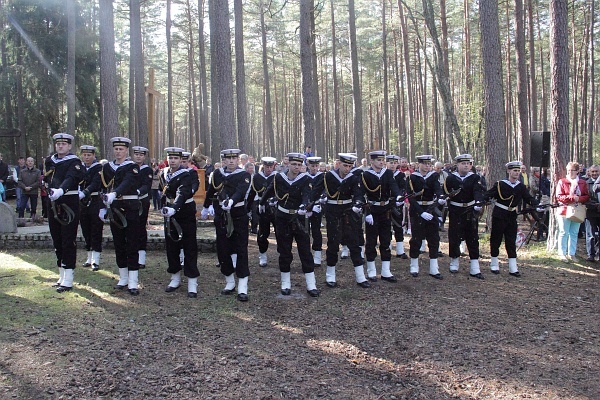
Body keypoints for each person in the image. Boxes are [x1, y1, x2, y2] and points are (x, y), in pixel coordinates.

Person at [260, 152, 320, 297]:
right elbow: (270, 191)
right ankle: (285, 283)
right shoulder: (279, 177)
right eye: (294, 164)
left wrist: (305, 206)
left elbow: (307, 194)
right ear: (288, 164)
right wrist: (262, 203)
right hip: (282, 217)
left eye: (299, 165)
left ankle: (311, 284)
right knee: (284, 250)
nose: (296, 167)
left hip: (299, 218)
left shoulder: (305, 179)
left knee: (305, 250)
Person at [311, 153, 370, 288]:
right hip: (333, 211)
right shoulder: (328, 176)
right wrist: (311, 204)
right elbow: (315, 191)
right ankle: (330, 275)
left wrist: (358, 203)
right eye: (345, 165)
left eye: (350, 166)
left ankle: (360, 276)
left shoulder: (354, 178)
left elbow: (358, 194)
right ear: (339, 164)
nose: (347, 168)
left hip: (348, 212)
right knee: (333, 243)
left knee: (354, 242)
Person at [201, 149, 251, 302]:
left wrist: (232, 201)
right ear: (223, 160)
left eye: (234, 158)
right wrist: (206, 206)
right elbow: (212, 190)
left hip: (238, 215)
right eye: (227, 159)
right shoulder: (217, 174)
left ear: (238, 160)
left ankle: (242, 285)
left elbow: (241, 191)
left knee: (241, 248)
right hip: (221, 215)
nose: (231, 161)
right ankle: (229, 282)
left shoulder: (244, 175)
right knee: (223, 249)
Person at [100, 137, 142, 295]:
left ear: (126, 151)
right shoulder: (107, 167)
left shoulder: (132, 167)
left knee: (131, 243)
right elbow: (103, 186)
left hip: (129, 208)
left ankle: (133, 281)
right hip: (114, 208)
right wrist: (102, 207)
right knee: (118, 243)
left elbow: (128, 182)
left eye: (121, 149)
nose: (118, 152)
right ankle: (123, 277)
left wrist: (115, 193)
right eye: (116, 149)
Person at [483, 161, 539, 276]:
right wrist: (482, 200)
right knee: (496, 239)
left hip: (512, 215)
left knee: (511, 240)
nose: (517, 173)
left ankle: (513, 267)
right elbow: (488, 195)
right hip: (499, 214)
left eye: (518, 171)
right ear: (508, 171)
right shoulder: (500, 184)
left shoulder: (521, 186)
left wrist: (536, 204)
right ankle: (494, 264)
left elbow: (528, 198)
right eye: (514, 171)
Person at [44, 133, 83, 293]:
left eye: (63, 144)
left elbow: (71, 178)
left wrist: (60, 190)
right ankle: (61, 274)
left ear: (69, 146)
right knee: (57, 239)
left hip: (68, 202)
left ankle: (68, 277)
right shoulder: (49, 161)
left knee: (68, 239)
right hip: (53, 203)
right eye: (58, 144)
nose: (60, 146)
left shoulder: (75, 162)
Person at [161, 147, 200, 298]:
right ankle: (175, 278)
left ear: (181, 160)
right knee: (171, 245)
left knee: (189, 246)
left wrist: (174, 208)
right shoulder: (164, 173)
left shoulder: (186, 174)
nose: (173, 161)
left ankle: (192, 282)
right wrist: (165, 206)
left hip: (184, 211)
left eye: (176, 158)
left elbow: (183, 192)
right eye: (170, 158)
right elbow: (164, 191)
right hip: (170, 212)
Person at [361, 150, 402, 282]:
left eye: (382, 160)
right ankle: (371, 270)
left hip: (385, 209)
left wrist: (398, 195)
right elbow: (362, 194)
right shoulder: (366, 174)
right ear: (371, 161)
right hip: (372, 209)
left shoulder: (388, 173)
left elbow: (393, 186)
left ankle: (386, 271)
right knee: (371, 240)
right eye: (378, 160)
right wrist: (367, 212)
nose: (382, 162)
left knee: (386, 240)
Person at [443, 154, 484, 279]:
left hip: (470, 210)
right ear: (458, 165)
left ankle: (475, 266)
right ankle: (454, 260)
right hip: (455, 210)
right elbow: (446, 192)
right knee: (454, 235)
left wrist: (478, 202)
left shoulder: (475, 177)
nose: (466, 165)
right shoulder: (450, 178)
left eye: (468, 163)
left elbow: (477, 191)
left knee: (472, 236)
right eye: (463, 163)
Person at [406, 155, 444, 279]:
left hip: (430, 209)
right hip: (417, 211)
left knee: (434, 238)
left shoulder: (433, 176)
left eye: (429, 164)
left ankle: (434, 267)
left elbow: (437, 190)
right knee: (416, 239)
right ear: (419, 164)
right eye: (425, 164)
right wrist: (420, 212)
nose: (427, 166)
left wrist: (441, 198)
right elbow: (411, 197)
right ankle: (414, 265)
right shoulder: (412, 177)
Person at [555, 161, 590, 262]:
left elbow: (587, 196)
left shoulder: (582, 183)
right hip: (564, 210)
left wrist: (579, 199)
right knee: (563, 232)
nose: (570, 172)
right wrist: (571, 198)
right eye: (568, 170)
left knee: (574, 233)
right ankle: (562, 253)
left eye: (572, 170)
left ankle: (572, 253)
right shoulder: (562, 181)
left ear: (577, 171)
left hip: (577, 210)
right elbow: (559, 196)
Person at [248, 156, 277, 267]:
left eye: (271, 166)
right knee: (262, 233)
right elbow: (252, 192)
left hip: (275, 207)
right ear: (263, 166)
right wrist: (248, 208)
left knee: (280, 232)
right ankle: (263, 255)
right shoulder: (257, 177)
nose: (269, 169)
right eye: (266, 166)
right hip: (262, 207)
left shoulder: (277, 177)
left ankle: (282, 253)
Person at [78, 146, 104, 271]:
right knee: (85, 229)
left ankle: (96, 259)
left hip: (95, 200)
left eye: (89, 155)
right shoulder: (80, 168)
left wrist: (85, 192)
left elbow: (96, 183)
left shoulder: (99, 168)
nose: (87, 157)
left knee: (96, 230)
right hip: (82, 202)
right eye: (85, 155)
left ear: (94, 156)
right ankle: (89, 257)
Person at [132, 146, 153, 269]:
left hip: (142, 200)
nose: (138, 156)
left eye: (141, 155)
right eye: (136, 154)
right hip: (130, 201)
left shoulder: (147, 170)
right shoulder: (129, 168)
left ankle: (141, 258)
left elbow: (147, 185)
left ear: (144, 156)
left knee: (140, 228)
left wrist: (138, 192)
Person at [386, 154, 408, 259]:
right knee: (386, 226)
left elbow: (403, 188)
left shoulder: (400, 175)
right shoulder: (383, 174)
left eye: (395, 163)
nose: (393, 165)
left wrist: (401, 198)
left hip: (397, 203)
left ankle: (400, 249)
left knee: (398, 226)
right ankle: (387, 247)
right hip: (385, 203)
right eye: (391, 163)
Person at [306, 156, 324, 267]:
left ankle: (317, 255)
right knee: (305, 232)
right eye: (312, 166)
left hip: (317, 206)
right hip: (305, 208)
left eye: (316, 166)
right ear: (308, 166)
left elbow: (325, 190)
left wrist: (322, 199)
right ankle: (307, 254)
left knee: (316, 230)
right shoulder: (303, 177)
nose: (314, 168)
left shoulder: (322, 176)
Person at [584, 165, 600, 262]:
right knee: (591, 234)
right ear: (589, 172)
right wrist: (594, 205)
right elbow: (585, 198)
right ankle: (591, 254)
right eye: (593, 171)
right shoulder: (586, 184)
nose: (594, 173)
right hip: (591, 212)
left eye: (597, 171)